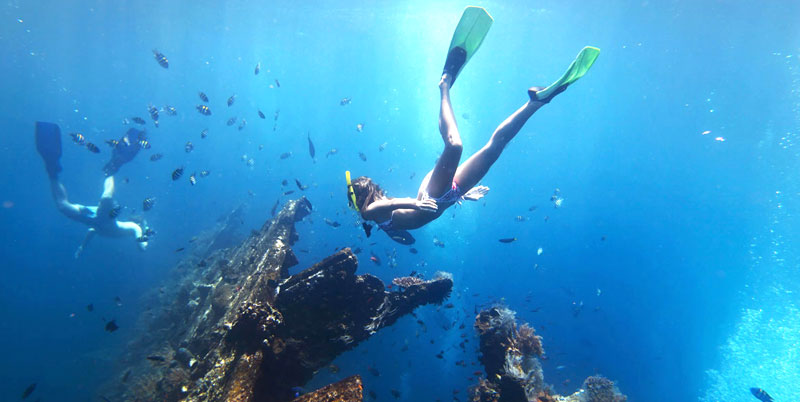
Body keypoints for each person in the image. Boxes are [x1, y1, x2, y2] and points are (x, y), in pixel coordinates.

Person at [346, 7, 599, 244]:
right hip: (448, 196)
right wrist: (460, 197)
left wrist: (415, 206)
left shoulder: (370, 211)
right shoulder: (377, 222)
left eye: (352, 200)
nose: (353, 205)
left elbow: (392, 206)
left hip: (431, 195)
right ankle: (536, 103)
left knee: (455, 146)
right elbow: (407, 236)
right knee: (495, 148)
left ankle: (444, 84)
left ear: (360, 198)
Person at [35, 121, 149, 258]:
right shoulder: (123, 227)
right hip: (100, 217)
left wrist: (81, 247)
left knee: (62, 206)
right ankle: (113, 166)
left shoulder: (117, 228)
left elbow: (92, 232)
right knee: (105, 197)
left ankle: (52, 170)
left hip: (94, 218)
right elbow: (135, 229)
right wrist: (142, 245)